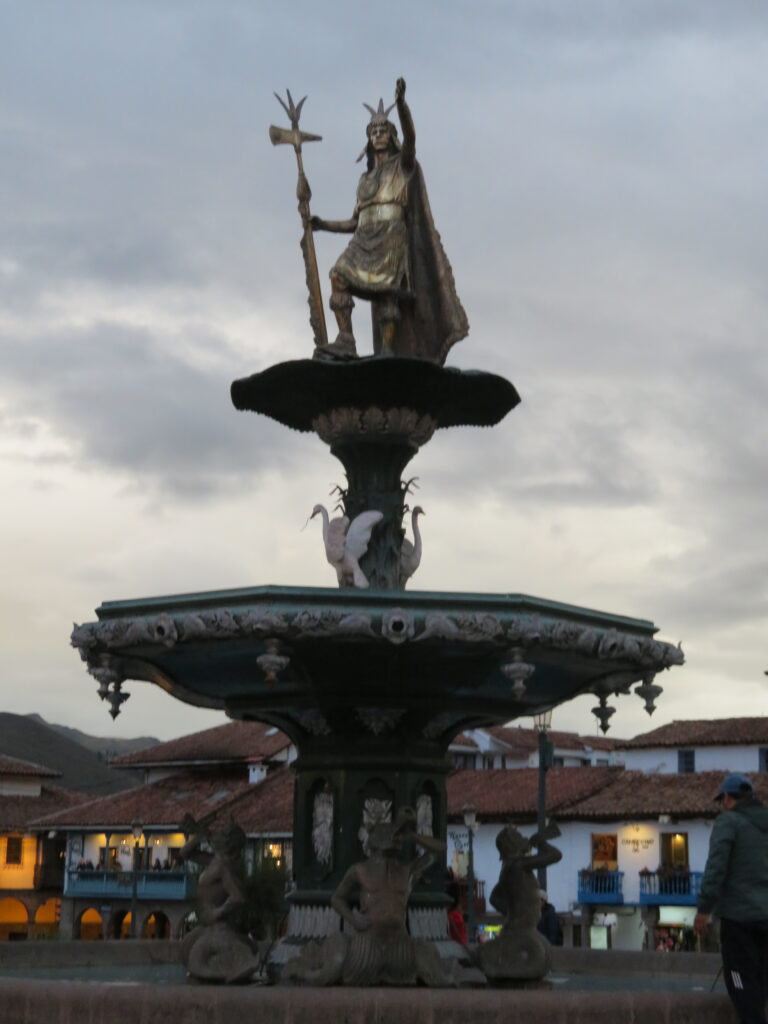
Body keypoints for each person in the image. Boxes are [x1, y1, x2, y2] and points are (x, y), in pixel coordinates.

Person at [311, 78, 468, 363]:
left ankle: (387, 349)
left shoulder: (403, 166)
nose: (379, 134)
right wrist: (322, 224)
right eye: (374, 131)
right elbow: (353, 223)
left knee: (387, 293)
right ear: (369, 138)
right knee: (338, 275)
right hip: (364, 238)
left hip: (392, 235)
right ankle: (346, 340)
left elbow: (411, 139)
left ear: (391, 135)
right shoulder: (365, 180)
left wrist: (403, 106)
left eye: (384, 130)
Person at [694, 773, 768, 1024]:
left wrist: (704, 909)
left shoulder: (729, 822)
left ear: (727, 798)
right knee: (761, 981)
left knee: (739, 981)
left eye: (722, 800)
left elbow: (716, 868)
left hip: (739, 919)